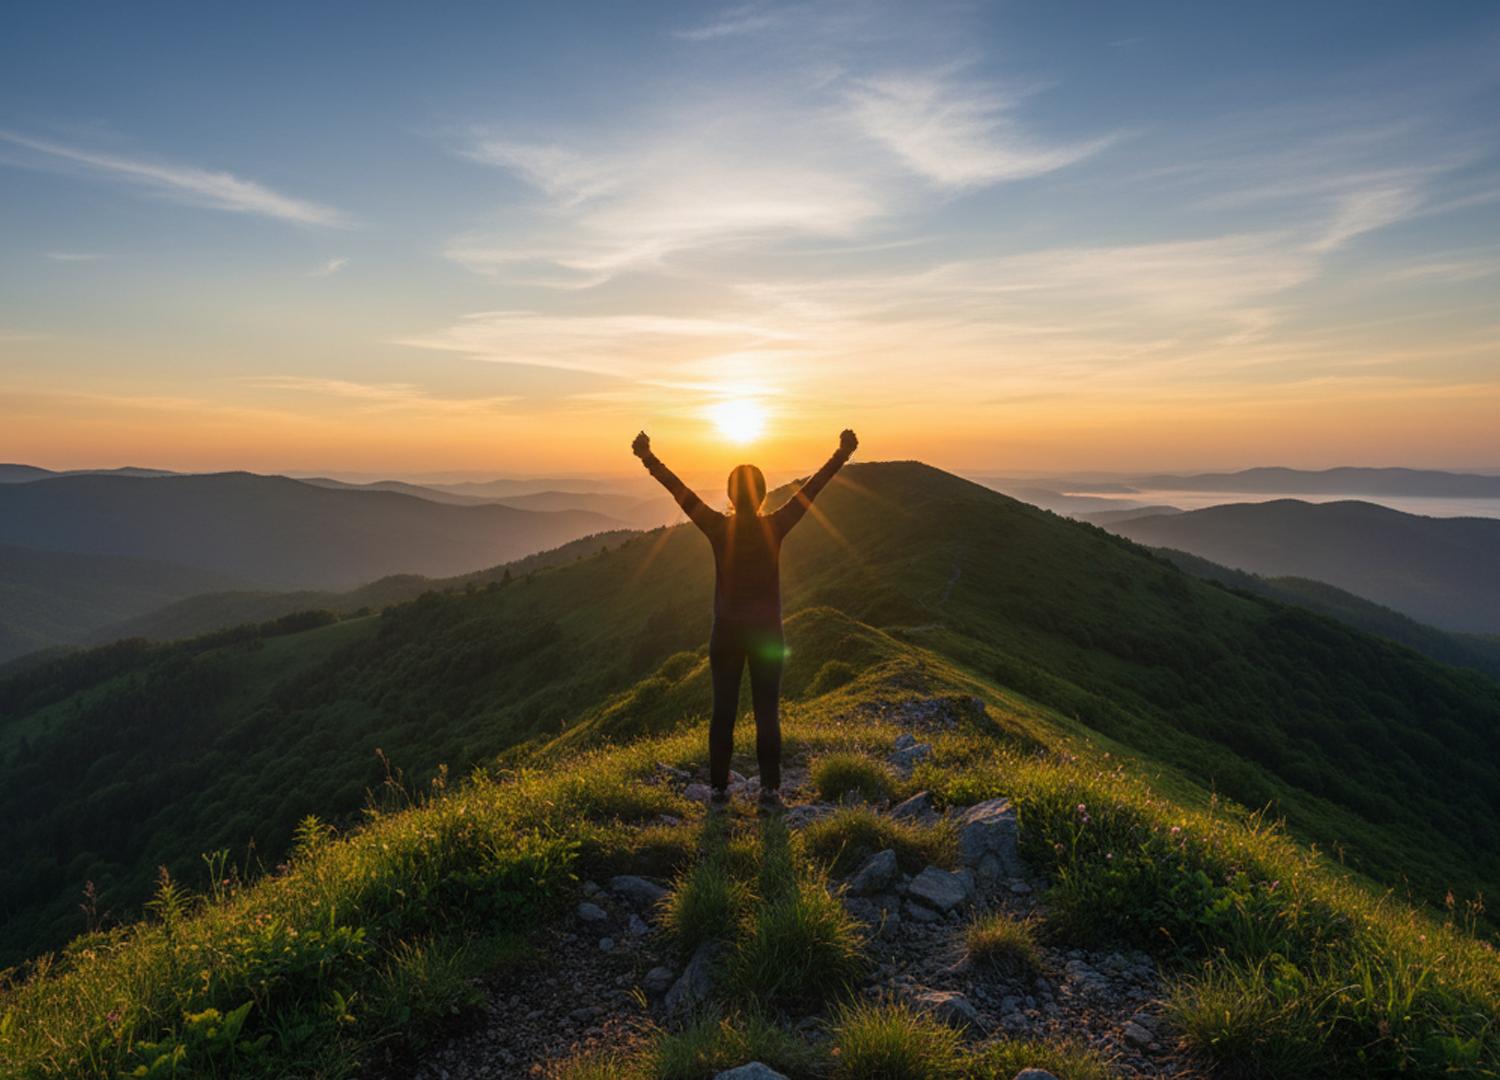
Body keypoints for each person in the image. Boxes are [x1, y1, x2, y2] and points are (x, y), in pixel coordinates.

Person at [632, 428, 858, 812]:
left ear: (731, 495)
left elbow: (680, 492)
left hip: (726, 633)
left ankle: (719, 794)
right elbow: (813, 489)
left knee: (724, 713)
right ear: (764, 494)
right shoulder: (777, 524)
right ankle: (769, 794)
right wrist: (841, 453)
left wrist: (648, 458)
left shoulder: (718, 527)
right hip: (768, 633)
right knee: (767, 713)